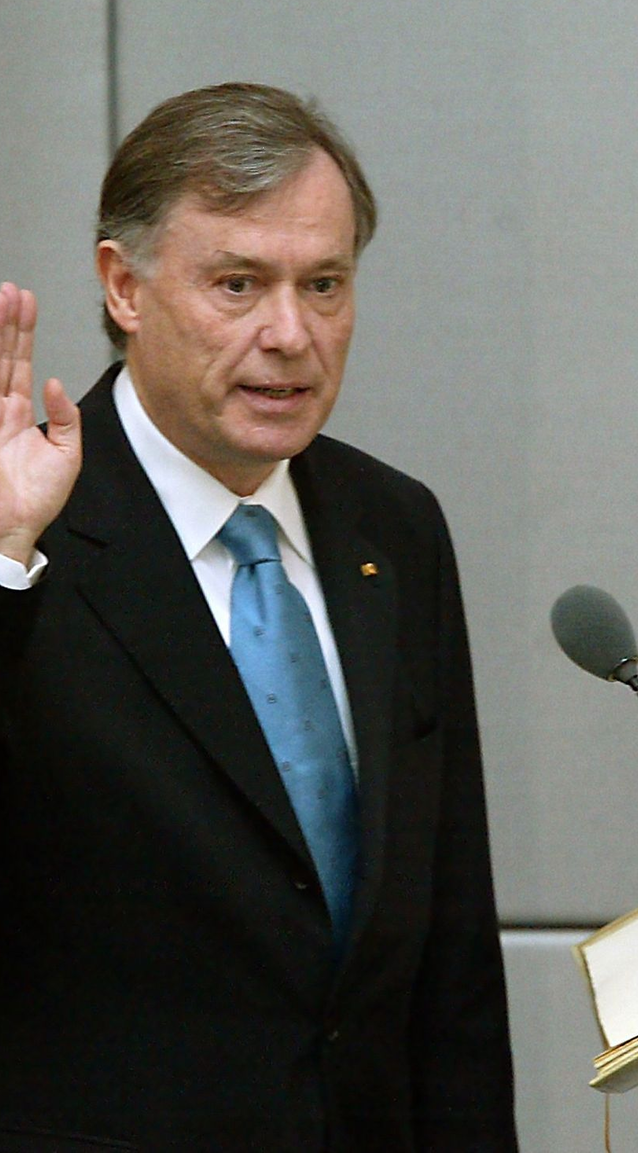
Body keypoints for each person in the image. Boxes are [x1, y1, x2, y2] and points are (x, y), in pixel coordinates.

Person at [0, 83, 518, 1152]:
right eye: (239, 283)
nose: (292, 334)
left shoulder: (397, 528)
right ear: (124, 285)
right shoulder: (25, 527)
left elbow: (450, 953)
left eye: (324, 284)